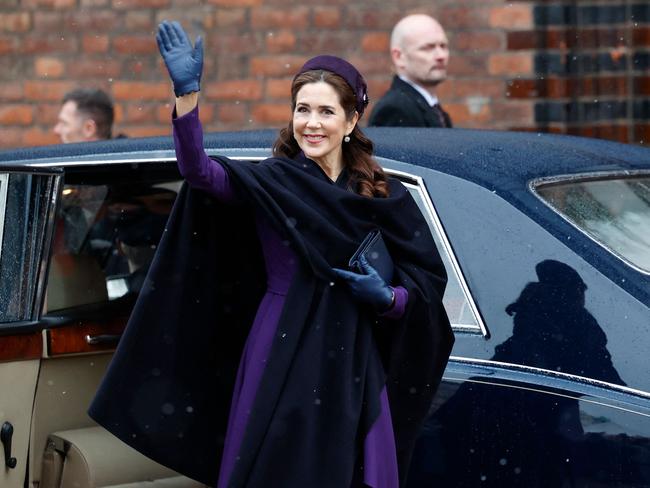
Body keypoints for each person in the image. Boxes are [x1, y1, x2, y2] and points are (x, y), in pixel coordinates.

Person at [89, 20, 454, 488]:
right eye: (302, 109)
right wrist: (187, 98)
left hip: (354, 355)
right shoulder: (271, 181)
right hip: (280, 344)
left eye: (325, 111)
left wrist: (388, 299)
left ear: (351, 120)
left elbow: (425, 286)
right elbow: (200, 173)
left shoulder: (384, 196)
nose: (311, 123)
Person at [368, 14, 453, 128]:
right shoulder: (395, 109)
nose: (441, 56)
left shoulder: (432, 107)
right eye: (428, 48)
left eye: (443, 46)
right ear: (399, 57)